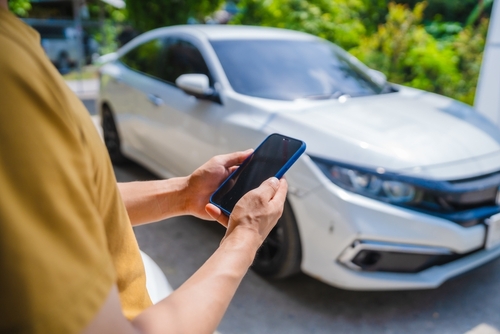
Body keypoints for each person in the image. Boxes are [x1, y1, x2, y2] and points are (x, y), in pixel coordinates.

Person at [0, 2, 288, 333]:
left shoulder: (14, 42)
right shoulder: (8, 76)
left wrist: (185, 194)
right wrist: (246, 236)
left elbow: (64, 206)